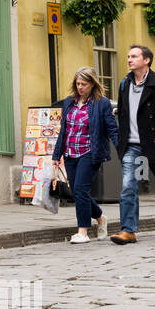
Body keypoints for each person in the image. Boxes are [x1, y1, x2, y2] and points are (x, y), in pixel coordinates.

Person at [111, 44, 155, 244]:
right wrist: (121, 142)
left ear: (146, 60)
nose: (129, 59)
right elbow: (124, 114)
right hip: (132, 145)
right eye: (128, 56)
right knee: (128, 186)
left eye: (134, 56)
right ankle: (128, 230)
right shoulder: (125, 84)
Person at [53, 67, 118, 244]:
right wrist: (56, 154)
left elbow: (112, 128)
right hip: (70, 153)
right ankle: (101, 218)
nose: (80, 87)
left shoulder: (101, 103)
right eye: (78, 83)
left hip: (90, 153)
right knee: (77, 192)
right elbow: (63, 131)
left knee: (81, 190)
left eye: (84, 84)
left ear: (92, 84)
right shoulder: (69, 102)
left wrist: (122, 150)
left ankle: (83, 232)